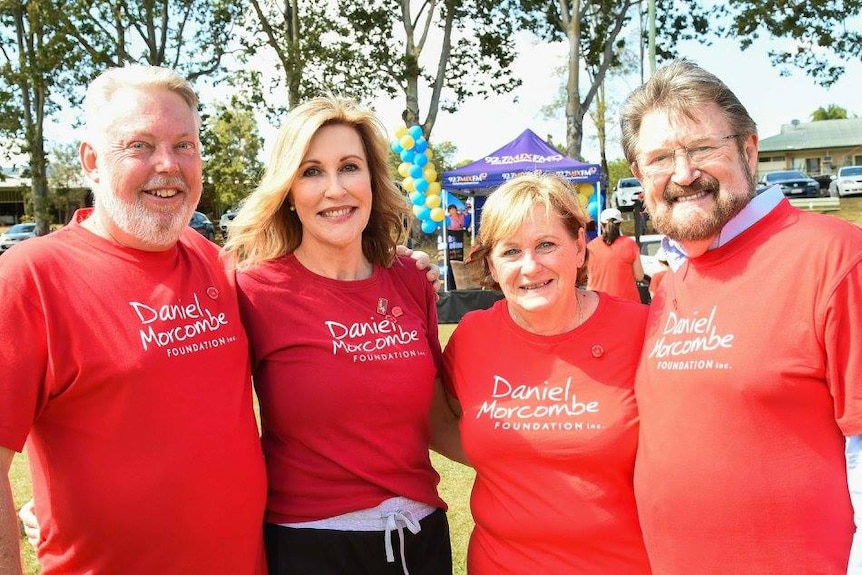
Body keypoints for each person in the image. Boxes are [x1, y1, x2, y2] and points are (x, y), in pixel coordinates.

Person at [0, 65, 268, 574]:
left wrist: (390, 269)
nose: (167, 164)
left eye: (184, 145)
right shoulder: (31, 277)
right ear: (92, 162)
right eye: (140, 145)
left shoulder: (216, 262)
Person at [622, 58, 862, 573]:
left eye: (703, 148)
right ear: (640, 177)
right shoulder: (675, 280)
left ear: (749, 149)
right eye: (661, 157)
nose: (683, 174)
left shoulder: (836, 257)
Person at [222, 96, 453, 575]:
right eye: (311, 172)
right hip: (310, 547)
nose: (334, 189)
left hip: (422, 539)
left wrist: (549, 462)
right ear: (288, 189)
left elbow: (438, 418)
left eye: (349, 167)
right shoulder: (253, 290)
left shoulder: (411, 279)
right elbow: (191, 409)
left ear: (371, 178)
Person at [440, 172, 651, 573]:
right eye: (511, 251)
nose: (530, 266)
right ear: (490, 263)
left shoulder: (641, 329)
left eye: (546, 245)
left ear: (578, 248)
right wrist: (514, 460)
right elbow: (436, 417)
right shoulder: (472, 337)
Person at [586, 207, 645, 302]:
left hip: (598, 303)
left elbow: (587, 276)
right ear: (620, 224)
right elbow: (639, 276)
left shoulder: (591, 247)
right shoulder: (630, 244)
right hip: (627, 303)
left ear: (601, 224)